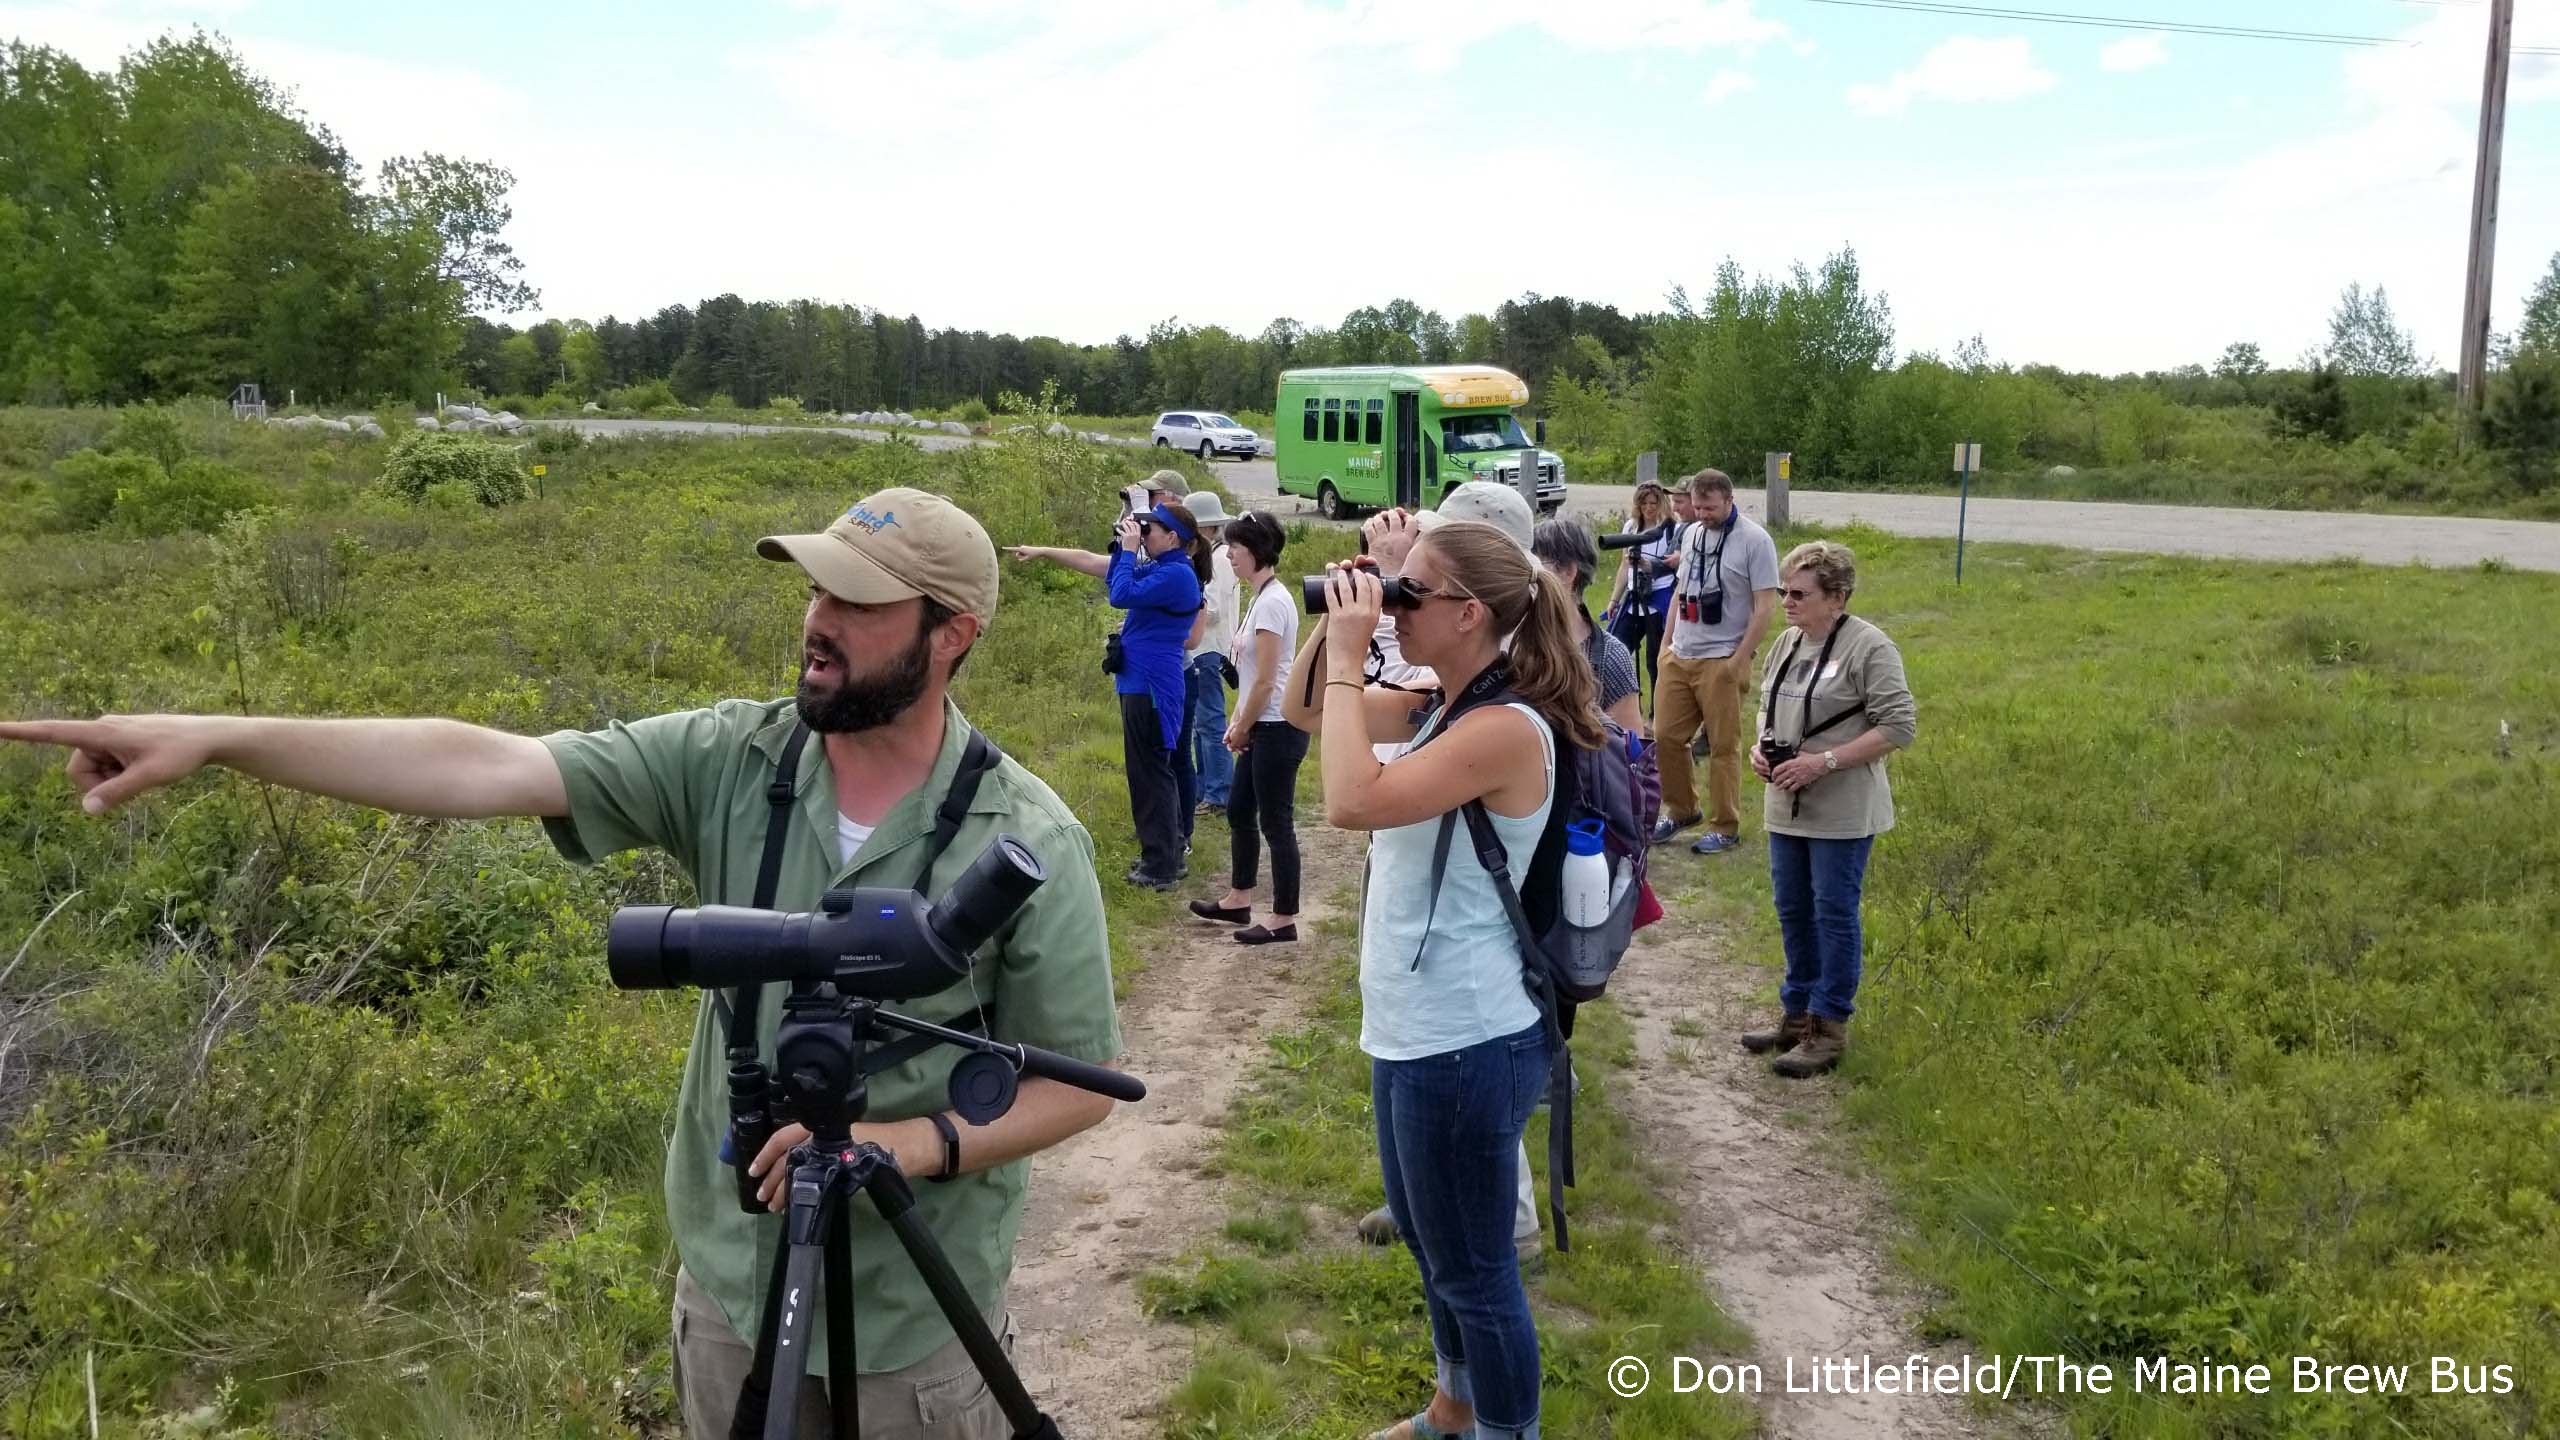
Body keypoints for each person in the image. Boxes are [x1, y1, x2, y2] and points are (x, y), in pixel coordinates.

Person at [0, 487, 1124, 1440]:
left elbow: (1075, 1082)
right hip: (733, 1285)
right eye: (815, 588)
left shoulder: (1027, 835)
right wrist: (220, 735)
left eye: (858, 602)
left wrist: (907, 1145)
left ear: (953, 633)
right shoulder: (735, 756)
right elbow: (482, 763)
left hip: (912, 1319)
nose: (817, 621)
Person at [1283, 519, 1604, 1440]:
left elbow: (1349, 801)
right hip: (1412, 1026)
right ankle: (1453, 1408)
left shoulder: (1504, 729)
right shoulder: (1441, 702)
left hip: (1466, 1038)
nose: (1393, 606)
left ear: (1470, 615)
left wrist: (1355, 653)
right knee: (1434, 1251)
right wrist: (1344, 615)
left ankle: (1507, 1429)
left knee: (1478, 1273)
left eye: (1411, 594)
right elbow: (1309, 711)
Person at [1742, 541, 1916, 1077]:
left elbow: (1898, 727)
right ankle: (1795, 1016)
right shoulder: (1789, 642)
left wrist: (1825, 762)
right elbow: (1767, 709)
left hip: (1841, 806)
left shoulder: (1871, 648)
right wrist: (1761, 747)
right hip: (1786, 801)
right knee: (1792, 908)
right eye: (1783, 591)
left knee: (1832, 912)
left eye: (1799, 594)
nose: (1786, 603)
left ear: (1837, 597)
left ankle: (1828, 1026)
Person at [1010, 496, 1211, 889]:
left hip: (1152, 685)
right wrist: (1045, 552)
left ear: (1172, 537)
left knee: (1151, 772)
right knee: (1149, 771)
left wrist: (1129, 549)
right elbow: (1097, 565)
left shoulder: (1177, 575)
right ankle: (1165, 854)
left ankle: (1161, 865)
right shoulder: (1164, 568)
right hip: (1142, 681)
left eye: (1149, 529)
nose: (1143, 533)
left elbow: (1120, 594)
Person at [1186, 511, 1304, 945]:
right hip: (1259, 722)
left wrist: (1241, 726)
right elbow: (1250, 675)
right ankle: (1239, 897)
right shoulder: (1260, 595)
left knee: (1276, 822)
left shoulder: (1273, 602)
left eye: (1235, 547)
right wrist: (1238, 722)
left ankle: (1284, 916)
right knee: (1239, 811)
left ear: (1254, 551)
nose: (1229, 554)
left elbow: (1269, 679)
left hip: (1276, 725)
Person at [1650, 469, 1780, 856]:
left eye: (1710, 507)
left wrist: (1739, 660)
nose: (1703, 514)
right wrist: (1666, 645)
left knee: (1723, 745)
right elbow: (1680, 591)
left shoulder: (1755, 541)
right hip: (1681, 653)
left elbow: (1765, 606)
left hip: (1722, 657)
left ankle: (1725, 825)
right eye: (1698, 506)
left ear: (1729, 499)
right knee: (1665, 737)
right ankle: (1681, 809)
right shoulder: (1691, 534)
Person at [1536, 516, 1645, 736]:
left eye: (1535, 565)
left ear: (1568, 572)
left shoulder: (1610, 656)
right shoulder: (1510, 642)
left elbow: (1629, 757)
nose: (1526, 575)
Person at [1182, 491, 1239, 819]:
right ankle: (1207, 788)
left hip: (1208, 648)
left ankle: (1219, 792)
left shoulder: (1217, 560)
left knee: (1210, 721)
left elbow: (1213, 609)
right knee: (1202, 723)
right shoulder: (1215, 557)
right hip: (1207, 647)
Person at [1603, 479, 1676, 694]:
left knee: (1655, 660)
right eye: (1644, 504)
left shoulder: (1672, 530)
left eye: (1654, 503)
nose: (1649, 508)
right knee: (1616, 648)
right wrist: (1614, 600)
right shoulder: (1631, 528)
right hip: (1634, 596)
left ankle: (1656, 713)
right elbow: (1624, 566)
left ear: (1661, 503)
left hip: (1659, 595)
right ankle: (1621, 698)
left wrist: (1647, 566)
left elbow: (1673, 566)